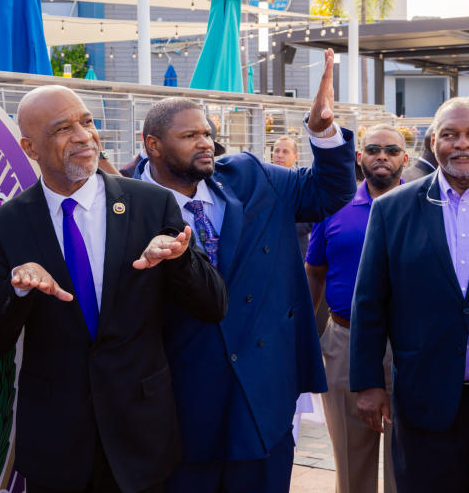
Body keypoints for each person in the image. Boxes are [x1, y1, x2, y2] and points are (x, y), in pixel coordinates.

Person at [0, 85, 227, 493]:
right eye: (63, 128)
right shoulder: (8, 223)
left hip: (141, 439)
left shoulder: (151, 204)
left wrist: (180, 260)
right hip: (56, 447)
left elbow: (213, 305)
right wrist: (18, 290)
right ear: (30, 147)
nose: (83, 136)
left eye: (87, 122)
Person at [134, 49, 357, 493]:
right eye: (189, 136)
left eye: (208, 133)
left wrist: (323, 131)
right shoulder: (123, 204)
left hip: (263, 400)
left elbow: (329, 193)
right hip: (177, 408)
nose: (205, 143)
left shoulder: (251, 175)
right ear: (153, 145)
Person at [351, 97, 469, 493]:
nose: (463, 144)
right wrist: (368, 383)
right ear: (432, 141)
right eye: (450, 135)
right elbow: (370, 301)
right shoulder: (392, 209)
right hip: (426, 398)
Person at [305, 124, 408, 493]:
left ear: (405, 159)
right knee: (351, 462)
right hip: (344, 340)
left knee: (407, 461)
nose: (382, 156)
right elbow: (314, 272)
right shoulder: (334, 206)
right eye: (374, 149)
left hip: (408, 345)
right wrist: (303, 334)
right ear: (359, 158)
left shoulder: (420, 206)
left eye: (392, 150)